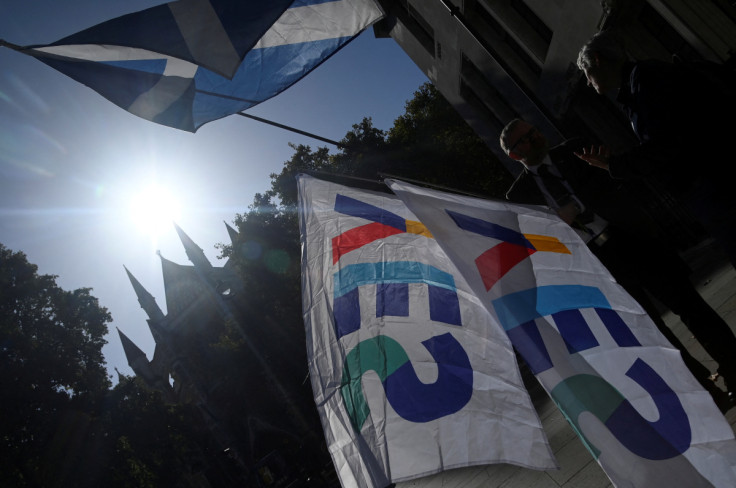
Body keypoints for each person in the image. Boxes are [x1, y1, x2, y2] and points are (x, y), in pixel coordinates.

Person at [500, 118, 736, 410]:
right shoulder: (519, 196)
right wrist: (557, 224)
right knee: (652, 331)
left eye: (534, 131)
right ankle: (708, 395)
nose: (535, 139)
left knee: (691, 306)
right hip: (598, 264)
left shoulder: (575, 149)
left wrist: (594, 182)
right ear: (513, 154)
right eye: (525, 139)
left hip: (631, 238)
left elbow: (615, 179)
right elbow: (536, 243)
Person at [574, 29, 736, 268]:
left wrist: (614, 164)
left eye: (586, 74)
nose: (588, 82)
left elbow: (665, 143)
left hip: (716, 183)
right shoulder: (641, 81)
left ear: (597, 60)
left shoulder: (645, 82)